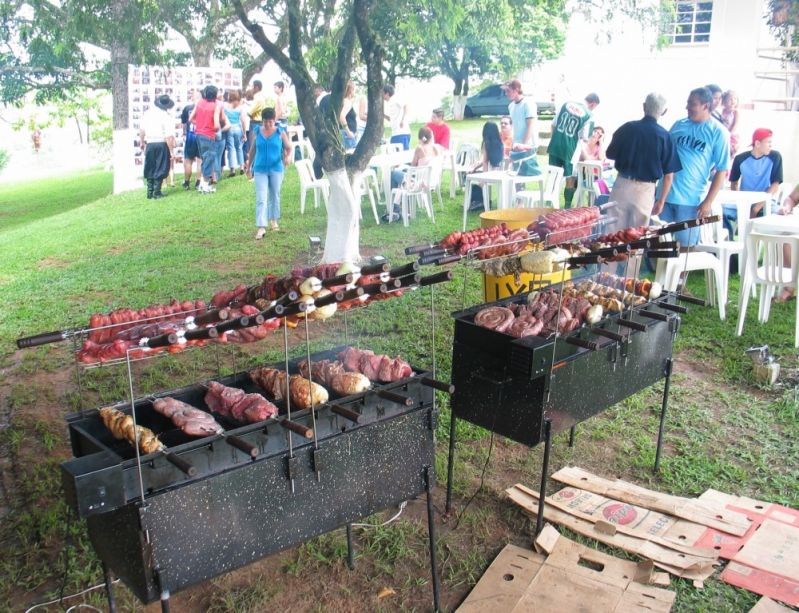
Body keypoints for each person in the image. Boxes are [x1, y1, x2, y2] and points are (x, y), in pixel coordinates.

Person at [658, 87, 730, 248]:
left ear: (706, 105)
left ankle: (680, 274)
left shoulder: (718, 132)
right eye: (688, 103)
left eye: (692, 104)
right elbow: (664, 153)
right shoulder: (679, 125)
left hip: (691, 199)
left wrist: (708, 201)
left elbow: (722, 170)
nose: (687, 107)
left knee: (685, 246)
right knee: (659, 243)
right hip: (664, 195)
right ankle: (659, 273)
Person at [605, 92, 681, 233]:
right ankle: (632, 256)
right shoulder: (666, 137)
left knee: (612, 233)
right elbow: (669, 176)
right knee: (637, 236)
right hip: (645, 190)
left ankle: (611, 255)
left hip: (622, 183)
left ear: (644, 106)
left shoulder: (627, 128)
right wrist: (661, 200)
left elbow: (609, 154)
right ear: (664, 111)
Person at [723, 128, 783, 238]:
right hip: (743, 202)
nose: (771, 145)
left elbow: (775, 185)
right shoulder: (740, 159)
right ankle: (731, 241)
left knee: (780, 216)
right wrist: (739, 203)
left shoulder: (775, 157)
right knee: (719, 212)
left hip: (765, 202)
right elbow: (734, 183)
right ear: (757, 143)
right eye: (768, 142)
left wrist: (757, 207)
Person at [246, 108, 292, 238]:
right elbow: (252, 150)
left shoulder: (280, 132)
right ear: (262, 121)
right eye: (265, 122)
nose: (268, 124)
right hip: (260, 168)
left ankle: (274, 220)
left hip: (276, 168)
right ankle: (261, 226)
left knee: (274, 195)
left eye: (270, 122)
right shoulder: (257, 132)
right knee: (261, 197)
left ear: (274, 121)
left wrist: (287, 157)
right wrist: (248, 167)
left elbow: (289, 147)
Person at [547, 93, 600, 207]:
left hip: (555, 145)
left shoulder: (566, 104)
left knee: (553, 175)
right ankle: (567, 206)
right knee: (570, 178)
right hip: (570, 150)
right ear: (593, 104)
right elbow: (586, 137)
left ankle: (548, 203)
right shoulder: (589, 115)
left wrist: (555, 138)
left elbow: (553, 124)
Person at [139, 94, 176, 199]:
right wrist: (171, 151)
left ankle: (149, 191)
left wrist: (142, 142)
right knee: (161, 166)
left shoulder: (147, 114)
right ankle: (157, 191)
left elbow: (142, 130)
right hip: (161, 143)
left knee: (150, 166)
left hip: (150, 143)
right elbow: (169, 136)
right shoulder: (166, 116)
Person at [189, 85, 223, 194]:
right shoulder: (215, 106)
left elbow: (190, 119)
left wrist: (199, 125)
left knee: (204, 158)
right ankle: (204, 185)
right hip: (209, 135)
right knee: (210, 159)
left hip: (199, 134)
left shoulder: (199, 102)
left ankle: (203, 185)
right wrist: (213, 128)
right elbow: (217, 125)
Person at [467, 122, 505, 210]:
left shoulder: (486, 144)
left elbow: (485, 162)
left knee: (471, 177)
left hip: (489, 174)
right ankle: (479, 201)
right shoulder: (500, 143)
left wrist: (483, 178)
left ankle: (477, 201)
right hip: (499, 174)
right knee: (475, 173)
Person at [504, 79, 537, 153]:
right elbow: (513, 127)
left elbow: (530, 126)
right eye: (505, 91)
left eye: (508, 91)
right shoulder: (511, 106)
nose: (506, 93)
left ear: (516, 90)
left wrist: (523, 145)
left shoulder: (528, 103)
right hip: (516, 145)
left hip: (529, 146)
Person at [180, 89, 201, 190]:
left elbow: (184, 123)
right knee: (200, 161)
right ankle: (198, 181)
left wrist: (184, 133)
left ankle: (187, 182)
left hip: (190, 136)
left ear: (193, 97)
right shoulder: (203, 108)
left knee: (188, 160)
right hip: (201, 136)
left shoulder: (187, 108)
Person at [223, 90, 247, 176]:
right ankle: (241, 166)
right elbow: (243, 121)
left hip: (229, 129)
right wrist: (244, 133)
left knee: (231, 149)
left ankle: (232, 169)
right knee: (239, 148)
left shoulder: (225, 106)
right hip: (238, 128)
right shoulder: (240, 108)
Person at [383, 84, 411, 150]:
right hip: (395, 133)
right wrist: (383, 115)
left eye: (382, 94)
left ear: (387, 94)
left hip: (402, 132)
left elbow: (406, 106)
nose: (382, 96)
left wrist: (403, 120)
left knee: (404, 156)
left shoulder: (396, 98)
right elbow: (391, 119)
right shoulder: (390, 103)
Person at [340, 81, 358, 150]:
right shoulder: (347, 102)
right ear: (351, 90)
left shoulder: (342, 101)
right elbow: (341, 116)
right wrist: (348, 132)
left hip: (345, 133)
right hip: (347, 135)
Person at [720, 90, 740, 155]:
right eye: (730, 99)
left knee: (729, 152)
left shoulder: (735, 112)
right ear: (724, 101)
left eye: (735, 99)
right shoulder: (722, 111)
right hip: (722, 135)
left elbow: (735, 125)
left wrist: (728, 135)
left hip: (732, 136)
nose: (733, 101)